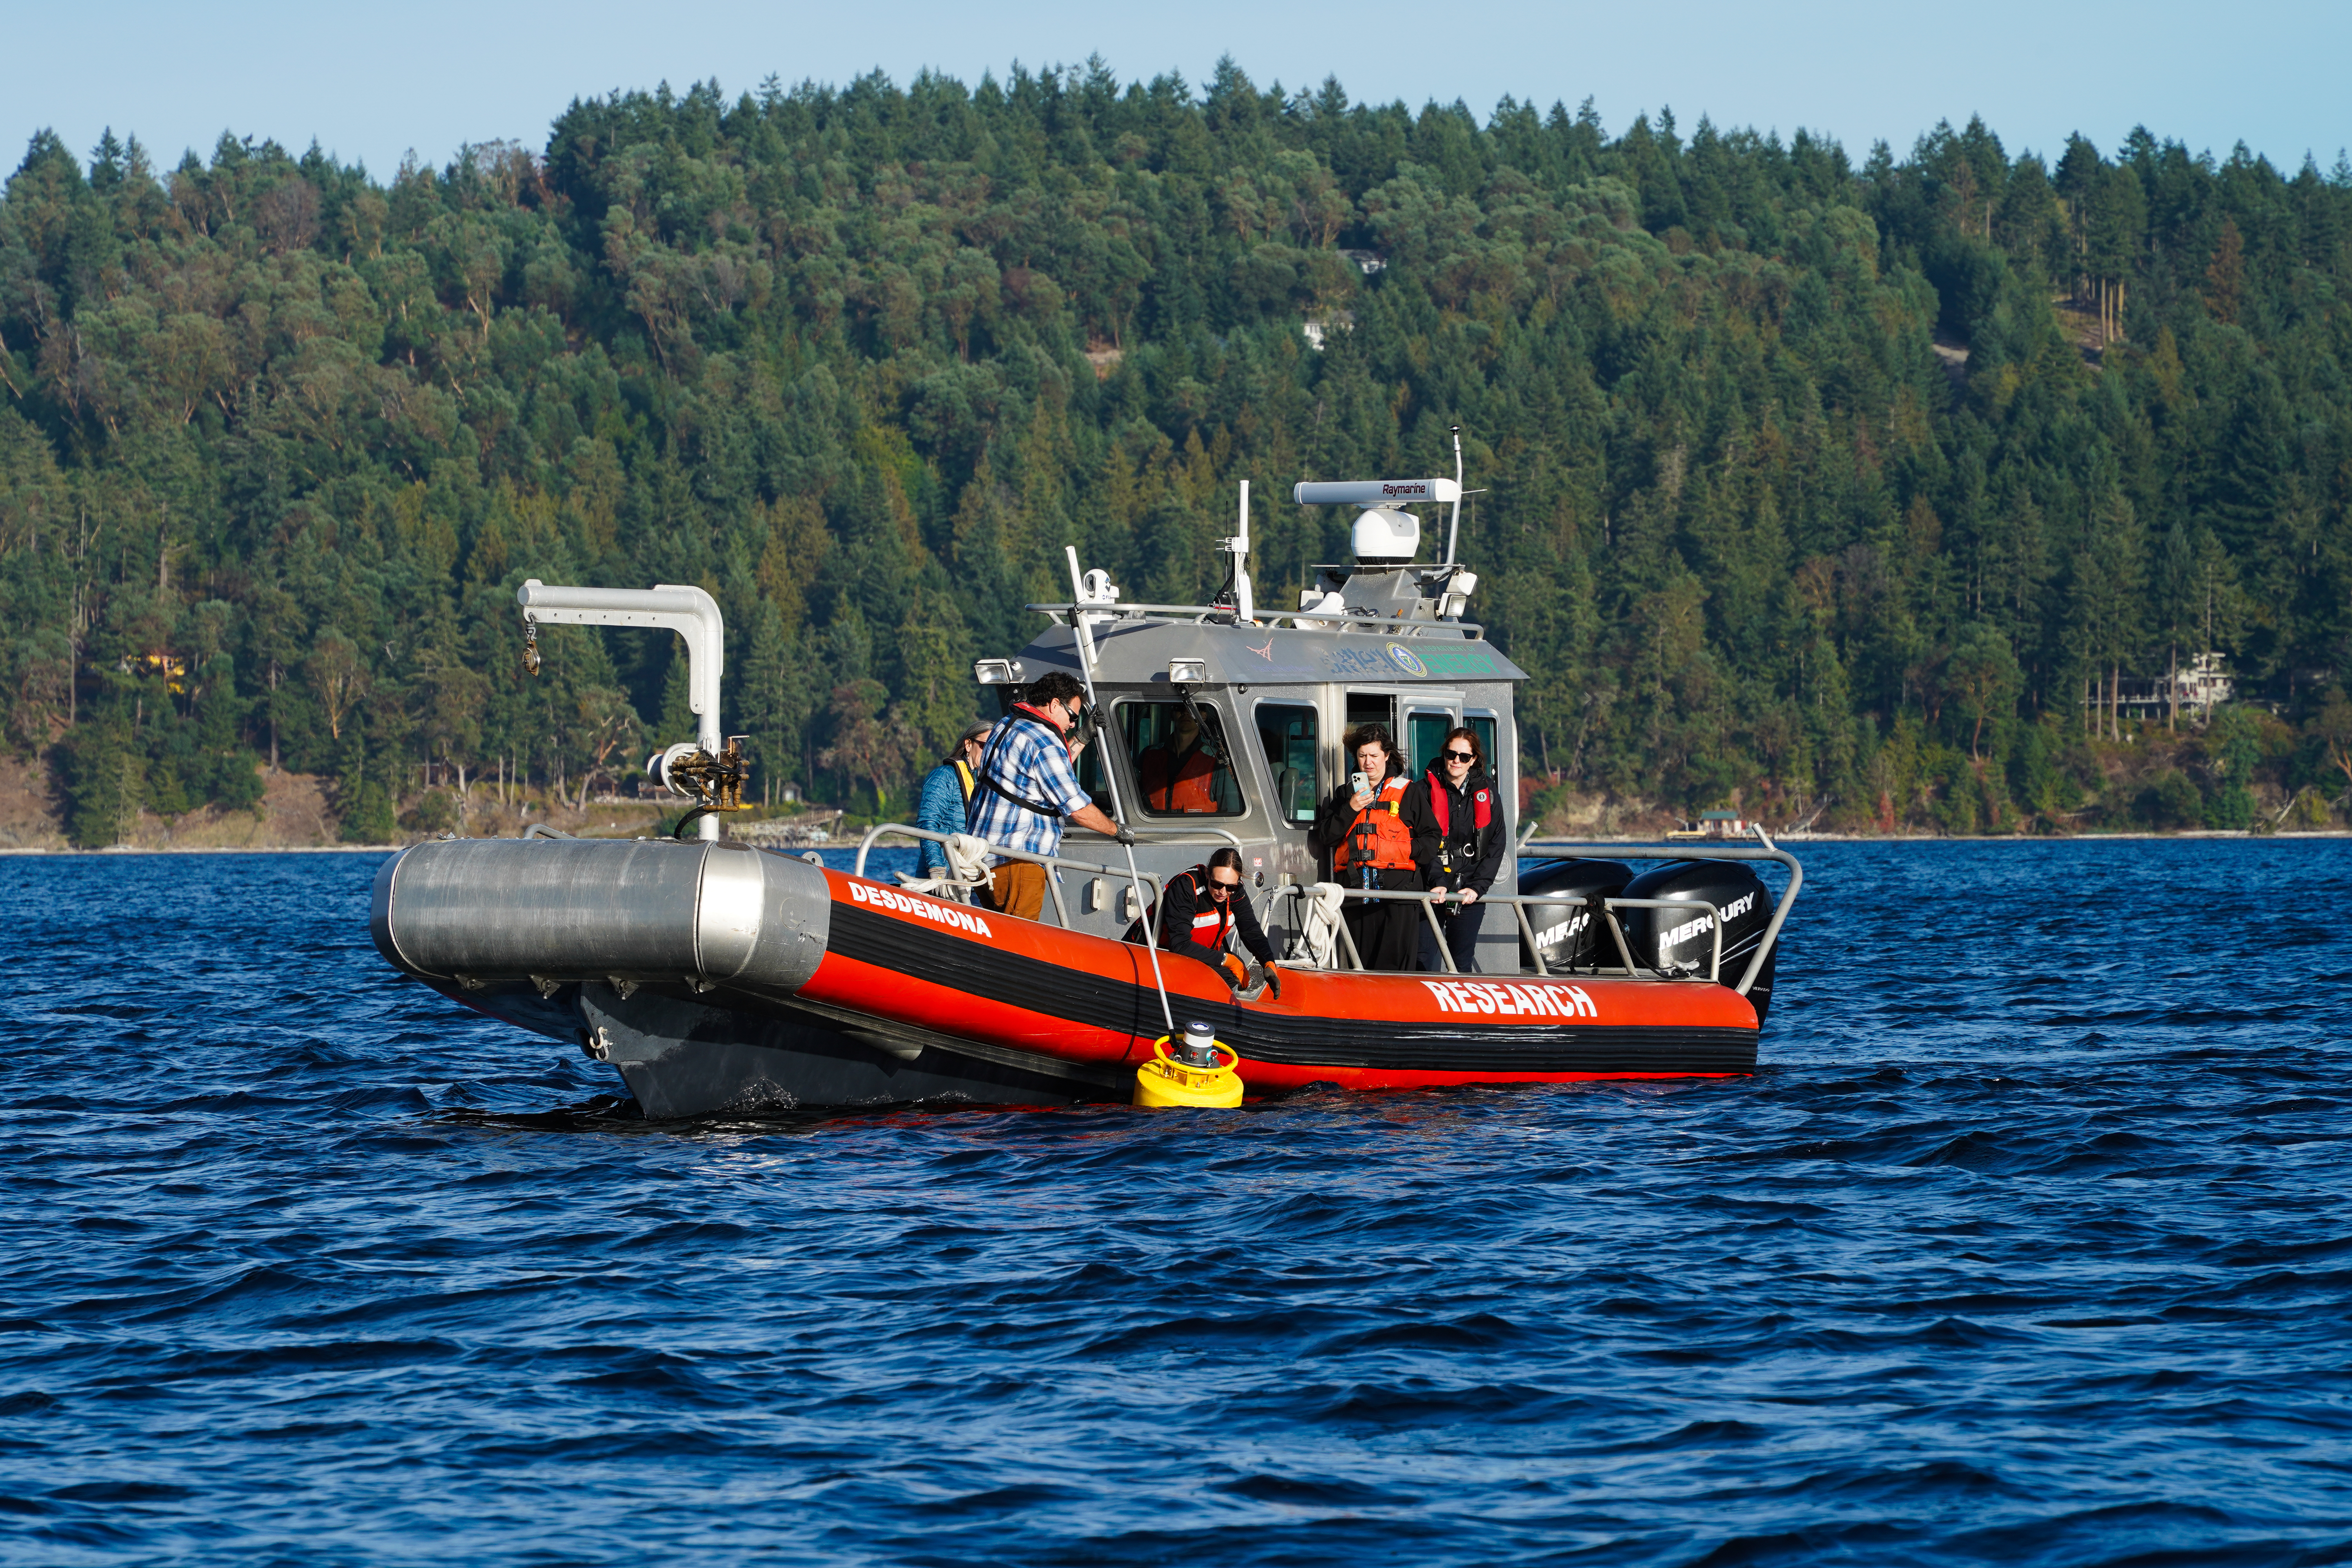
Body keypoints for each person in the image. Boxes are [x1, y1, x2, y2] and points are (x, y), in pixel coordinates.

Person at [964, 670, 1129, 922]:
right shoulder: (1045, 741)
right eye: (1073, 715)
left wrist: (1083, 737)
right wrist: (1118, 831)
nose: (1073, 723)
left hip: (984, 859)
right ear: (1054, 705)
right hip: (1019, 858)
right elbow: (1077, 808)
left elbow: (1042, 777)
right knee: (1019, 943)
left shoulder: (1006, 725)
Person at [1312, 723, 1425, 971]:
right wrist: (1350, 808)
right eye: (1362, 756)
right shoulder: (1344, 795)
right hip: (1355, 897)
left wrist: (1404, 850)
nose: (1368, 763)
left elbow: (1430, 839)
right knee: (1359, 970)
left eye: (1374, 756)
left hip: (1398, 898)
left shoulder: (1409, 792)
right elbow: (1326, 836)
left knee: (1395, 973)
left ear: (1386, 756)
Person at [1410, 724, 1506, 973]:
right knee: (1423, 960)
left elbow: (1496, 844)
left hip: (1470, 890)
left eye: (1464, 757)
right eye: (1451, 754)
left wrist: (1478, 887)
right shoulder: (1422, 792)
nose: (1456, 761)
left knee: (1461, 963)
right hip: (1430, 888)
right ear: (1444, 753)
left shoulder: (1488, 795)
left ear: (1473, 760)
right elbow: (1419, 841)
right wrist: (1436, 881)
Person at [1147, 846, 1278, 987]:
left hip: (1195, 953)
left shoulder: (1236, 892)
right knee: (1228, 977)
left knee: (1237, 974)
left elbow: (1251, 930)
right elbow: (1179, 943)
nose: (1223, 892)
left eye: (1231, 887)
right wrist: (1227, 960)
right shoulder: (1185, 887)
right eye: (1217, 884)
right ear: (1208, 874)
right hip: (1160, 952)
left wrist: (1268, 962)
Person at [915, 720, 993, 883]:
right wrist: (937, 869)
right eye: (985, 745)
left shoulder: (989, 785)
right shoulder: (944, 776)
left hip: (974, 873)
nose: (990, 752)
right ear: (969, 745)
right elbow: (928, 824)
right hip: (945, 869)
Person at [1137, 705, 1226, 814]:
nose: (1186, 712)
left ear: (1204, 716)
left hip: (1199, 831)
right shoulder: (1148, 756)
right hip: (1152, 829)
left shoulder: (1217, 761)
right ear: (1172, 714)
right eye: (1180, 708)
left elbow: (1232, 812)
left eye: (1193, 708)